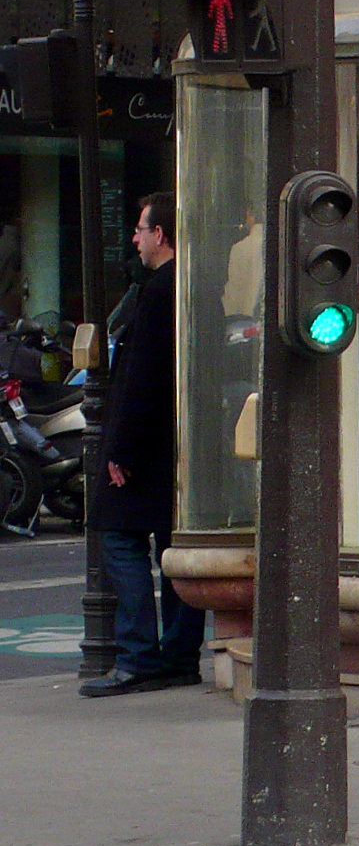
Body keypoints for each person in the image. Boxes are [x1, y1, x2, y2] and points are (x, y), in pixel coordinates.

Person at [79, 192, 206, 698]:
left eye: (140, 229)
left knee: (119, 539)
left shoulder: (157, 291)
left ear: (160, 234)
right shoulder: (189, 284)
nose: (134, 238)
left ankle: (137, 657)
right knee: (173, 549)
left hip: (146, 445)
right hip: (179, 442)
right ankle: (179, 655)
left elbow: (144, 376)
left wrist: (122, 450)